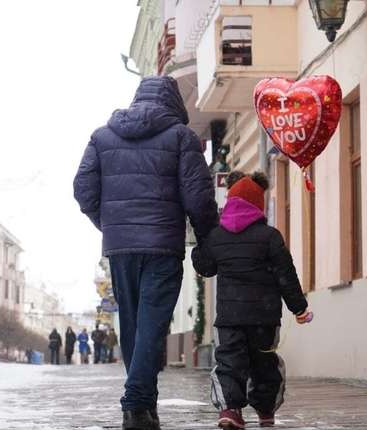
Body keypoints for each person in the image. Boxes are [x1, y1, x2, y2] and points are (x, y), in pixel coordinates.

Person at [74, 76, 218, 430]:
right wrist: (207, 238)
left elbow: (83, 190)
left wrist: (111, 224)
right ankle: (136, 403)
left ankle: (144, 404)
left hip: (121, 248)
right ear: (174, 103)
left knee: (133, 326)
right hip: (162, 245)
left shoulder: (102, 137)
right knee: (151, 326)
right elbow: (198, 197)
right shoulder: (181, 137)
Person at [192, 172, 311, 429]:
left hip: (229, 319)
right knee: (264, 364)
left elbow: (205, 268)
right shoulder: (270, 236)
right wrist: (299, 308)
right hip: (264, 318)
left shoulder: (217, 236)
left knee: (229, 363)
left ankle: (230, 410)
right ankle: (265, 410)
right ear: (259, 205)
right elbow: (285, 275)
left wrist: (200, 244)